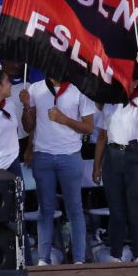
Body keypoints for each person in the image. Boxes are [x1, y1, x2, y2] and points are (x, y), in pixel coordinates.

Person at [92, 54, 138, 263]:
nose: (121, 82)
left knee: (136, 210)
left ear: (136, 81)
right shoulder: (111, 104)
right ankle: (116, 254)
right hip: (113, 158)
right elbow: (102, 136)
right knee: (117, 211)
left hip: (137, 158)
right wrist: (97, 166)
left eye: (125, 78)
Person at [21, 74, 93, 265]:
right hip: (43, 155)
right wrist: (26, 106)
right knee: (45, 209)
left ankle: (78, 259)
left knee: (74, 209)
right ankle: (43, 259)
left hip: (70, 156)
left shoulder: (79, 88)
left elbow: (89, 127)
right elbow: (29, 126)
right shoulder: (35, 88)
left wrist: (64, 120)